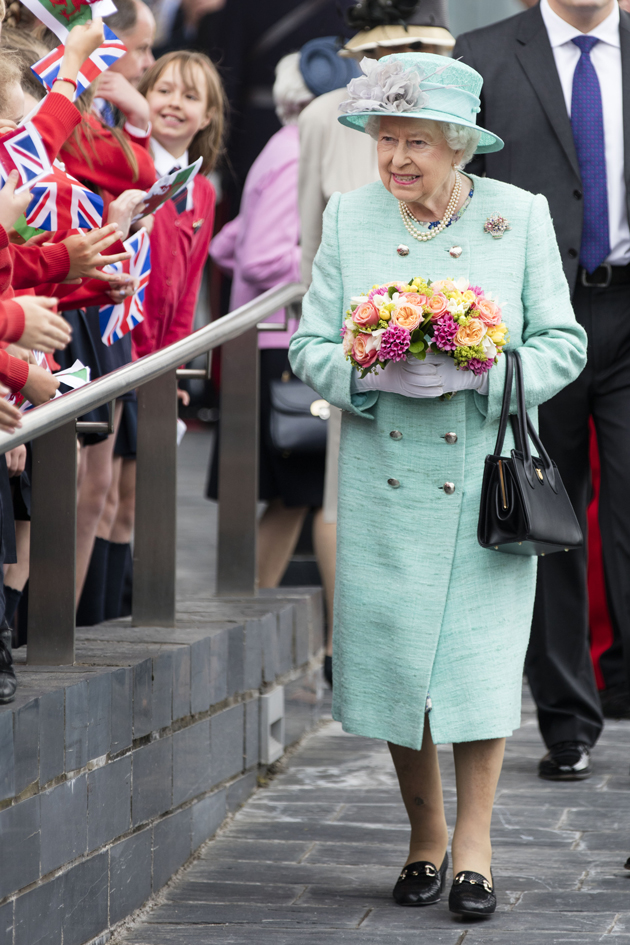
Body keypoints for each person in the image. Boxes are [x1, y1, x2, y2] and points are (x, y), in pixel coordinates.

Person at [289, 52, 587, 916]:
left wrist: (484, 372)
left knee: (478, 667)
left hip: (485, 483)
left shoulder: (517, 215)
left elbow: (563, 343)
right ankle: (425, 837)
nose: (396, 159)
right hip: (384, 485)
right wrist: (368, 372)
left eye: (416, 141)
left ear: (459, 143)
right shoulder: (349, 216)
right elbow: (309, 344)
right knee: (398, 666)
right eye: (385, 139)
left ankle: (476, 847)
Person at [454, 0, 627, 781]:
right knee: (546, 508)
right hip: (535, 319)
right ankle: (567, 721)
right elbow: (460, 186)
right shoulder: (484, 53)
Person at [298, 0, 455, 686]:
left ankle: (407, 642)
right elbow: (312, 241)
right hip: (359, 341)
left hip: (447, 334)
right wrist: (333, 343)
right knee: (345, 495)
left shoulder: (447, 118)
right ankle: (350, 642)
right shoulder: (322, 117)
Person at [207, 51, 323, 589]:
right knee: (302, 492)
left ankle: (248, 601)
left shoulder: (284, 145)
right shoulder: (298, 152)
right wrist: (325, 256)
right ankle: (246, 602)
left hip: (267, 337)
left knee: (296, 495)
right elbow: (257, 255)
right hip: (279, 340)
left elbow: (229, 244)